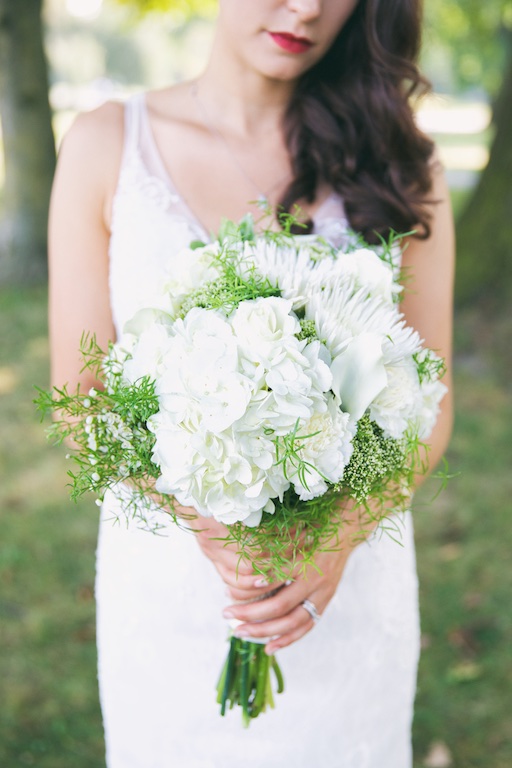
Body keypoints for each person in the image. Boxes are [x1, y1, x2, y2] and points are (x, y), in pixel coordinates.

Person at [48, 1, 454, 766]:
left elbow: (430, 406)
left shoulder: (401, 164)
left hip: (345, 592)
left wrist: (336, 538)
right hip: (168, 591)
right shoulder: (109, 145)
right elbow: (81, 401)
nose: (306, 8)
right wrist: (213, 528)